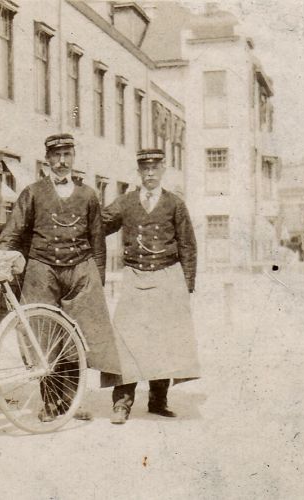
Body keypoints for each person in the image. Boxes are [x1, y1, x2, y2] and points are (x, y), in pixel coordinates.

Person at [0, 133, 121, 422]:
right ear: (47, 159)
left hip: (80, 269)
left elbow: (97, 240)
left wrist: (97, 278)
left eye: (67, 155)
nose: (62, 161)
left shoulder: (88, 195)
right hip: (42, 270)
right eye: (56, 156)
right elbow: (13, 232)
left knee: (80, 334)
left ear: (74, 158)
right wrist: (2, 260)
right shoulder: (32, 192)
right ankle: (50, 403)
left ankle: (71, 401)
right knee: (43, 335)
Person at [100, 148, 201, 424]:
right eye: (145, 169)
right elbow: (99, 225)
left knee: (164, 340)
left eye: (155, 168)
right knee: (125, 339)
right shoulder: (125, 202)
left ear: (163, 170)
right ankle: (121, 404)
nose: (150, 174)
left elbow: (188, 245)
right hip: (135, 275)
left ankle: (158, 400)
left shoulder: (175, 204)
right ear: (139, 172)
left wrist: (186, 285)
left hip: (168, 276)